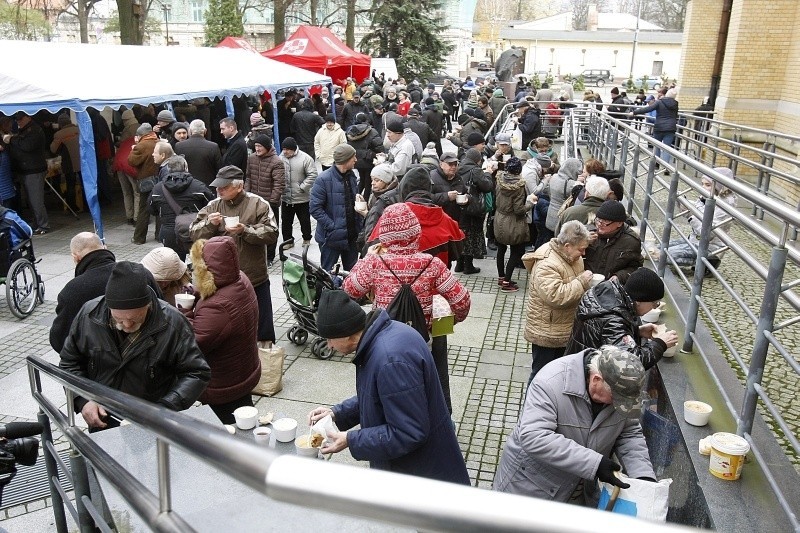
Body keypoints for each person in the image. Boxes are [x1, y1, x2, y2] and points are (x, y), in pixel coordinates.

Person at [308, 290, 470, 485]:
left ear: (345, 334)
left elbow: (409, 431)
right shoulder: (385, 335)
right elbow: (380, 396)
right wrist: (336, 413)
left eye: (329, 339)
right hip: (419, 466)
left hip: (421, 476)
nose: (329, 346)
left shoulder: (390, 360)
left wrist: (351, 440)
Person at [344, 203, 471, 414]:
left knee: (384, 392)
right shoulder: (432, 264)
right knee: (422, 389)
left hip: (381, 342)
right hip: (419, 341)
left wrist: (367, 258)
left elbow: (349, 290)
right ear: (416, 233)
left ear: (384, 235)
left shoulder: (375, 263)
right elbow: (462, 302)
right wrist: (451, 319)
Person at [59, 261, 210, 431]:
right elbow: (69, 362)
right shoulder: (88, 315)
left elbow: (196, 372)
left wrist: (165, 408)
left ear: (148, 305)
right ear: (109, 307)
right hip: (104, 417)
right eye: (119, 319)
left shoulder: (173, 323)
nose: (127, 325)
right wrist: (82, 399)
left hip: (155, 419)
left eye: (135, 319)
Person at [494, 345, 656, 503]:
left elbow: (629, 433)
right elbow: (534, 436)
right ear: (596, 380)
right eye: (616, 399)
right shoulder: (550, 382)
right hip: (529, 490)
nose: (620, 405)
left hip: (576, 491)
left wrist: (643, 477)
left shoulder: (621, 391)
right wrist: (595, 464)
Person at [189, 165, 279, 348]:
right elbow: (193, 232)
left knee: (262, 322)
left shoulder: (258, 203)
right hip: (219, 278)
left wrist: (245, 230)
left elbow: (272, 233)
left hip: (253, 275)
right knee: (227, 321)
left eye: (224, 186)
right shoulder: (213, 206)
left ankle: (266, 353)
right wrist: (210, 224)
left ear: (239, 186)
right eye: (217, 186)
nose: (218, 190)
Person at [181, 237, 261, 424]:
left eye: (197, 268)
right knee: (245, 419)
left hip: (224, 383)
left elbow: (195, 341)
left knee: (231, 430)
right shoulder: (240, 278)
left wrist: (184, 313)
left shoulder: (217, 306)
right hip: (242, 372)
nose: (193, 271)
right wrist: (198, 293)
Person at [565, 267, 679, 370]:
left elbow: (606, 335)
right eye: (655, 303)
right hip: (585, 377)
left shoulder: (606, 293)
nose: (654, 307)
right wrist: (661, 343)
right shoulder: (613, 319)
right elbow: (631, 363)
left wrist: (636, 331)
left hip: (576, 365)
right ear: (639, 300)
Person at [524, 221, 592, 382]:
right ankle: (531, 406)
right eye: (581, 249)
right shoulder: (547, 263)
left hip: (564, 327)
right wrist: (581, 282)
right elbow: (556, 296)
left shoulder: (571, 257)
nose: (583, 254)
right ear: (567, 246)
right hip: (547, 332)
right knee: (541, 376)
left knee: (559, 375)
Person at [49, 232, 117, 353]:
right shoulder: (138, 274)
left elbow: (60, 340)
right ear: (104, 248)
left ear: (76, 257)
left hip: (96, 362)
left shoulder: (73, 290)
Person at [663, 167, 737, 272]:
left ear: (720, 187)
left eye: (708, 185)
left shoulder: (724, 206)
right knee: (661, 247)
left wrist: (690, 215)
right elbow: (698, 212)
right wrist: (684, 204)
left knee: (662, 254)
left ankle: (709, 262)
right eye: (702, 184)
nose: (703, 187)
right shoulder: (708, 195)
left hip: (710, 247)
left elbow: (708, 233)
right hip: (694, 240)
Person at [310, 144, 362, 271]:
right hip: (331, 239)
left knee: (352, 275)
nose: (356, 160)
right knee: (327, 275)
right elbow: (315, 208)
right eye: (353, 157)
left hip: (351, 236)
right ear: (345, 159)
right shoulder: (323, 179)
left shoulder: (352, 177)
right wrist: (332, 227)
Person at [149, 168, 215, 260]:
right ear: (186, 167)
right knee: (200, 266)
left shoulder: (157, 188)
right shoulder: (198, 186)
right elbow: (212, 206)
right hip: (194, 231)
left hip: (169, 233)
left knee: (174, 266)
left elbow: (151, 209)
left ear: (169, 169)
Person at [494, 157, 536, 292]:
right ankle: (506, 282)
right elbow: (518, 210)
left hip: (499, 218)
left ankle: (501, 277)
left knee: (501, 249)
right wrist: (530, 204)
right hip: (513, 223)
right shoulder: (519, 186)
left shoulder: (499, 179)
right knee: (516, 251)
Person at [245, 134, 285, 263]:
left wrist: (272, 201)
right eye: (256, 146)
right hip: (253, 201)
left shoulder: (276, 161)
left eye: (260, 146)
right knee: (254, 228)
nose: (257, 149)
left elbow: (279, 184)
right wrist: (246, 194)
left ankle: (270, 256)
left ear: (267, 147)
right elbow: (248, 177)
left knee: (270, 229)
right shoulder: (251, 159)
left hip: (269, 202)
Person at [583, 200, 643, 284]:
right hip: (585, 282)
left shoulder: (631, 241)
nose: (600, 224)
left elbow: (634, 267)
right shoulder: (586, 232)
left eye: (606, 221)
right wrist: (582, 242)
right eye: (599, 219)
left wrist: (619, 276)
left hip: (611, 288)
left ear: (619, 223)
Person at [7, 112, 48, 234]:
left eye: (20, 119)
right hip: (26, 169)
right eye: (17, 119)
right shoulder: (24, 130)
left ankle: (43, 225)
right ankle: (37, 224)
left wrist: (12, 139)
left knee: (36, 200)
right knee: (31, 200)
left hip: (34, 170)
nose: (18, 121)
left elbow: (27, 146)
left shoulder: (34, 130)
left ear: (28, 117)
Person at [456, 148, 494, 274]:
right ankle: (468, 266)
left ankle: (459, 264)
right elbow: (487, 186)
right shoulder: (476, 170)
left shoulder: (458, 167)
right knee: (471, 235)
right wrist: (488, 173)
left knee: (462, 234)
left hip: (459, 206)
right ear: (477, 160)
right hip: (473, 207)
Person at [279, 137, 317, 246]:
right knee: (286, 221)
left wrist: (302, 187)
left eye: (287, 149)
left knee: (304, 220)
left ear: (293, 149)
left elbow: (313, 174)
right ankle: (288, 241)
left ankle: (306, 238)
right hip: (286, 197)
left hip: (302, 197)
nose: (285, 151)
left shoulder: (306, 158)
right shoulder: (280, 158)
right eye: (283, 149)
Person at [631, 88, 679, 173]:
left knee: (656, 146)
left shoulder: (659, 102)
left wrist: (634, 112)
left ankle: (656, 164)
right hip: (671, 128)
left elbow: (648, 109)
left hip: (659, 127)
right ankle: (666, 168)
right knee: (667, 148)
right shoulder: (675, 104)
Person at [128, 124, 160, 244]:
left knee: (144, 209)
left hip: (146, 180)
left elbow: (131, 161)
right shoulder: (159, 142)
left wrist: (133, 148)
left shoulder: (141, 146)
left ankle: (139, 238)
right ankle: (159, 235)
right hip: (160, 180)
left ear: (141, 135)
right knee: (160, 208)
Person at [346, 113, 384, 201]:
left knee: (361, 180)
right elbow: (379, 146)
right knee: (368, 183)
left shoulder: (351, 132)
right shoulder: (371, 131)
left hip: (357, 161)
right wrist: (378, 154)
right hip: (369, 161)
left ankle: (356, 198)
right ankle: (365, 201)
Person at [175, 119, 222, 188]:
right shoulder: (213, 147)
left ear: (190, 131)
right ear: (205, 131)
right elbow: (219, 169)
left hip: (186, 187)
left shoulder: (179, 146)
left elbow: (176, 168)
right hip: (208, 188)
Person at [50, 113, 81, 212]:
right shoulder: (78, 130)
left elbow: (53, 149)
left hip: (69, 163)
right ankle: (88, 205)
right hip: (82, 161)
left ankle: (72, 207)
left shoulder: (59, 134)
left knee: (70, 184)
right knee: (84, 184)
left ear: (60, 123)